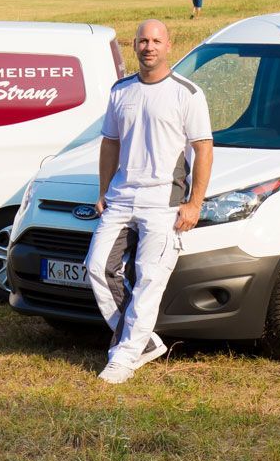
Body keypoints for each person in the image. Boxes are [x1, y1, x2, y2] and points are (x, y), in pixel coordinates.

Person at [85, 19, 214, 384]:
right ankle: (140, 342)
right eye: (143, 41)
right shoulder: (120, 91)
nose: (149, 47)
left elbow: (203, 149)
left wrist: (194, 203)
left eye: (156, 41)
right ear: (135, 46)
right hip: (122, 197)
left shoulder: (187, 93)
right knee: (96, 267)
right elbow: (110, 142)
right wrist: (103, 190)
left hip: (164, 202)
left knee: (148, 279)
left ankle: (124, 356)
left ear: (168, 46)